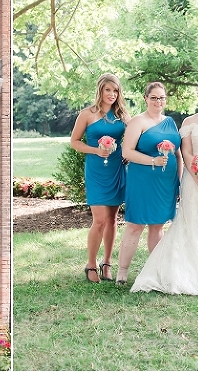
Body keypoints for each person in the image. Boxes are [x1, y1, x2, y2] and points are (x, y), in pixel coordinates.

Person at [130, 81, 198, 295]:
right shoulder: (189, 122)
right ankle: (187, 269)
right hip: (192, 178)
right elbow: (186, 153)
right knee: (191, 221)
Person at [115, 82, 182, 286]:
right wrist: (152, 161)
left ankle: (156, 269)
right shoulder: (138, 121)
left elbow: (178, 155)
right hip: (142, 180)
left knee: (158, 226)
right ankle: (122, 271)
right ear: (146, 98)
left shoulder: (170, 122)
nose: (158, 101)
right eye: (154, 97)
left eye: (162, 98)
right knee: (135, 225)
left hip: (166, 183)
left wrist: (178, 181)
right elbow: (127, 152)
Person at [70, 73, 130, 283]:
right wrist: (95, 150)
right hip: (96, 169)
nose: (112, 94)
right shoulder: (87, 114)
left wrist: (127, 155)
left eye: (116, 91)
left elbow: (132, 138)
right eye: (108, 90)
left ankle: (106, 263)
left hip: (116, 168)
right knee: (100, 220)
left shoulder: (122, 115)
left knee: (113, 219)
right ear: (100, 90)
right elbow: (74, 142)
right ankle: (90, 263)